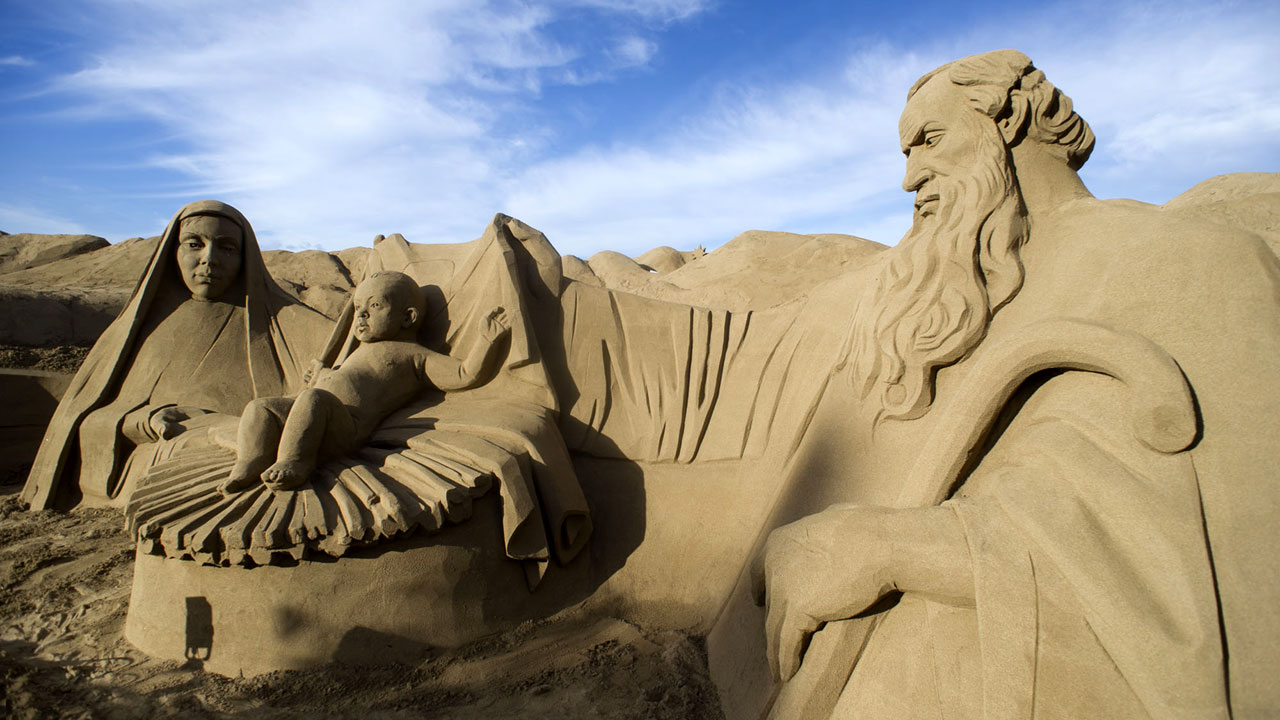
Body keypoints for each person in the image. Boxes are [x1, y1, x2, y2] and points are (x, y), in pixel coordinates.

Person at [753, 50, 1280, 718]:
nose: (911, 175)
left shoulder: (1194, 261)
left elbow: (1236, 567)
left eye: (930, 140)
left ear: (1009, 116)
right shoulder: (946, 295)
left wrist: (897, 549)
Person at [22, 200, 332, 510]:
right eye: (195, 244)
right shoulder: (137, 329)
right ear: (174, 251)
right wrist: (145, 420)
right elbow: (81, 421)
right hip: (171, 454)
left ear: (244, 258)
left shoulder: (281, 320)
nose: (208, 260)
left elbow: (351, 349)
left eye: (226, 248)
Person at [218, 270, 509, 494]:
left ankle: (295, 462)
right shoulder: (358, 351)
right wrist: (322, 377)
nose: (362, 315)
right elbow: (338, 384)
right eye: (358, 308)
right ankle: (250, 463)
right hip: (309, 411)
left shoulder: (413, 354)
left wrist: (486, 340)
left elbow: (464, 375)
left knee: (314, 400)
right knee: (261, 407)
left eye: (375, 306)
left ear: (408, 317)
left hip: (345, 426)